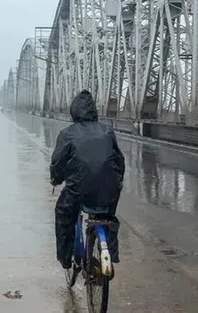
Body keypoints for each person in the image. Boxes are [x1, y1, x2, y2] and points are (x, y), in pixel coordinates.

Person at [49, 89, 125, 271]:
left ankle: (66, 259)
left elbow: (58, 161)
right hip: (109, 189)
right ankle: (110, 252)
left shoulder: (68, 133)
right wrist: (118, 181)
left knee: (64, 214)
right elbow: (119, 160)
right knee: (107, 216)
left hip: (79, 190)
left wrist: (55, 179)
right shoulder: (107, 131)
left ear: (74, 111)